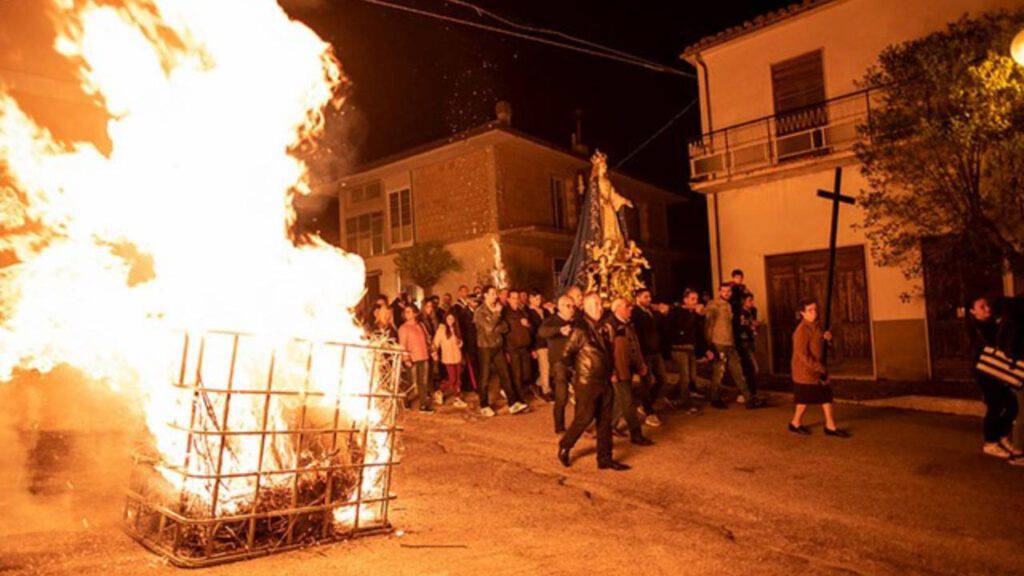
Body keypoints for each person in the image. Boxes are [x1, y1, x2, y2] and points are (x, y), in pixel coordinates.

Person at [557, 292, 630, 471]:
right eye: (595, 304)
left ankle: (604, 459)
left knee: (605, 421)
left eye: (600, 304)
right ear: (586, 307)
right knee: (584, 418)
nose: (600, 307)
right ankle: (565, 445)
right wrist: (580, 372)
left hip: (604, 381)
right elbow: (565, 355)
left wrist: (611, 370)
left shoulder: (604, 327)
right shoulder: (580, 329)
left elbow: (609, 352)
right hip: (587, 383)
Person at [967, 297, 1019, 458]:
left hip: (997, 370)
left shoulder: (993, 324)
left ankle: (1001, 437)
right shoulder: (976, 328)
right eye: (982, 307)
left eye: (987, 306)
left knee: (1011, 404)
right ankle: (990, 442)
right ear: (972, 311)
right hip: (985, 371)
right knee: (995, 405)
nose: (987, 310)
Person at [788, 299, 847, 437]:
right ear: (802, 313)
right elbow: (802, 355)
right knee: (804, 400)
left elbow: (822, 345)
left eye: (815, 309)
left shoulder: (817, 326)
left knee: (826, 395)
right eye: (810, 310)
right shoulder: (801, 330)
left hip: (818, 368)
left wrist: (827, 338)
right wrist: (819, 368)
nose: (814, 312)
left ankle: (830, 426)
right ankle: (795, 423)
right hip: (805, 371)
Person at [705, 282, 765, 409]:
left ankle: (749, 399)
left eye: (729, 291)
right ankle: (714, 398)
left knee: (738, 372)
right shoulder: (714, 305)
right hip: (719, 342)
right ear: (719, 291)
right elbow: (708, 325)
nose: (726, 294)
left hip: (730, 343)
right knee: (719, 372)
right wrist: (709, 345)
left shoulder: (732, 305)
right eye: (724, 291)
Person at [474, 286, 527, 416]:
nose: (495, 296)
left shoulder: (497, 308)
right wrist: (496, 315)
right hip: (485, 347)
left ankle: (512, 403)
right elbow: (488, 328)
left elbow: (505, 327)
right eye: (492, 294)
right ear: (485, 295)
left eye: (495, 294)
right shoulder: (480, 312)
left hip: (497, 346)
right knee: (485, 377)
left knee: (505, 375)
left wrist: (496, 323)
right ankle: (484, 405)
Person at [609, 298, 654, 446]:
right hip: (619, 370)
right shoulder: (610, 326)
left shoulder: (627, 323)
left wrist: (640, 363)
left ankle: (607, 426)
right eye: (628, 308)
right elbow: (607, 352)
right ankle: (636, 435)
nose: (631, 311)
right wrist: (612, 371)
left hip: (627, 368)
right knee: (627, 402)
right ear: (618, 309)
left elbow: (634, 344)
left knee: (620, 401)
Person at [539, 295, 576, 434]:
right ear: (559, 306)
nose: (572, 309)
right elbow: (542, 332)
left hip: (575, 362)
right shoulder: (552, 321)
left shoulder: (575, 321)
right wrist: (559, 330)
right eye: (568, 306)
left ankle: (580, 425)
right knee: (562, 397)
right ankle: (559, 427)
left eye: (573, 306)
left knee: (583, 395)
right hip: (559, 363)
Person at [666, 289, 708, 413]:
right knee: (685, 377)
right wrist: (693, 315)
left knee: (691, 376)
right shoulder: (677, 312)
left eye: (696, 299)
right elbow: (679, 328)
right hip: (679, 347)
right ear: (685, 300)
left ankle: (671, 395)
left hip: (690, 347)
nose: (695, 302)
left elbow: (698, 332)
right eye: (692, 299)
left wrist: (700, 316)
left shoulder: (693, 313)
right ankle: (686, 404)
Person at [631, 289, 668, 426]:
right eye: (645, 297)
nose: (649, 299)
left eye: (649, 296)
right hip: (645, 352)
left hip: (655, 351)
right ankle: (648, 410)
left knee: (662, 379)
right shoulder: (636, 313)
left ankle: (646, 403)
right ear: (638, 298)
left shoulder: (650, 312)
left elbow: (658, 328)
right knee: (646, 382)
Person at [398, 304, 434, 413]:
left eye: (409, 311)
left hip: (423, 357)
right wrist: (406, 359)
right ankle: (406, 399)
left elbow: (427, 339)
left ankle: (423, 405)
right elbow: (402, 345)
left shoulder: (421, 325)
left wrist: (432, 350)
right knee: (411, 383)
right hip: (412, 359)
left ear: (415, 313)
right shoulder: (403, 328)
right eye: (405, 312)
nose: (406, 314)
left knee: (423, 382)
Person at [503, 291, 534, 405]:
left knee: (526, 373)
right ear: (509, 300)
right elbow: (504, 332)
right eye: (513, 298)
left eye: (517, 298)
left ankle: (522, 393)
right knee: (517, 374)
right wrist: (505, 350)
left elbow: (531, 329)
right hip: (513, 348)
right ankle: (520, 399)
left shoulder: (522, 312)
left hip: (524, 348)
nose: (516, 300)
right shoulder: (505, 313)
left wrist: (528, 325)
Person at [433, 312, 469, 409]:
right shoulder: (441, 330)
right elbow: (436, 343)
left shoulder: (456, 329)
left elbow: (460, 343)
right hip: (448, 358)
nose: (450, 321)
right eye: (448, 319)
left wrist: (460, 343)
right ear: (445, 319)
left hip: (457, 357)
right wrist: (434, 353)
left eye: (452, 319)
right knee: (452, 378)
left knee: (458, 379)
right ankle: (440, 391)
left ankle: (457, 398)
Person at [527, 292, 551, 400]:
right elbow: (530, 332)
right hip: (539, 343)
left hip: (548, 342)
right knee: (544, 367)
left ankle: (539, 382)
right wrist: (532, 348)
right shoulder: (528, 313)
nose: (539, 301)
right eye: (536, 298)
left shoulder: (545, 311)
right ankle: (546, 390)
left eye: (539, 298)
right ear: (530, 299)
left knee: (548, 367)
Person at [737, 292, 761, 399]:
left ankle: (751, 392)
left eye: (752, 300)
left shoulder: (752, 310)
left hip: (751, 341)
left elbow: (753, 324)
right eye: (749, 300)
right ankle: (746, 392)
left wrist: (755, 325)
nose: (752, 302)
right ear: (743, 302)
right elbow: (741, 326)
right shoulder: (740, 313)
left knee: (751, 368)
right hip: (744, 342)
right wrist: (750, 326)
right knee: (752, 368)